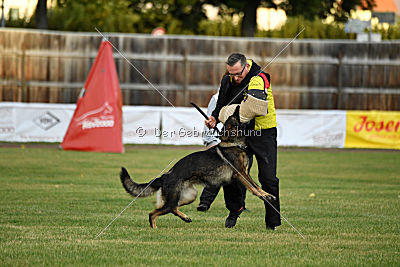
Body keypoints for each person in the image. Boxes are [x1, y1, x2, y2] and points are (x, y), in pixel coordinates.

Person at [205, 53, 281, 230]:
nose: (236, 78)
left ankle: (272, 223)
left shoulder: (259, 78)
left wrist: (227, 113)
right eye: (232, 74)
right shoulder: (228, 80)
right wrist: (214, 118)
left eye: (239, 74)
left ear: (246, 66)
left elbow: (254, 108)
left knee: (268, 179)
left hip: (263, 134)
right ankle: (235, 209)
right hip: (238, 134)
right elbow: (221, 104)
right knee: (231, 173)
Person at [197, 92, 221, 212]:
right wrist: (211, 141)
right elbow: (209, 120)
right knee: (217, 173)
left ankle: (239, 205)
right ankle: (205, 202)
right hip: (217, 140)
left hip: (232, 141)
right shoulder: (217, 98)